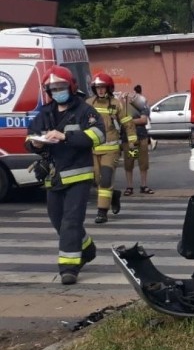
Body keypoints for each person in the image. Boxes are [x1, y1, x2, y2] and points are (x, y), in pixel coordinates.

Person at [25, 66, 106, 285]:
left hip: (78, 176)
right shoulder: (46, 113)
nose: (57, 91)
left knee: (71, 221)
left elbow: (99, 135)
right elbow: (30, 137)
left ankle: (69, 268)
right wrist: (34, 143)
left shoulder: (84, 111)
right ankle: (87, 248)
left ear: (71, 87)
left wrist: (65, 136)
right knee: (58, 221)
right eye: (53, 88)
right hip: (54, 176)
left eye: (61, 87)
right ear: (48, 91)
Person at [86, 73, 137, 223]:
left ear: (109, 88)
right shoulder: (89, 103)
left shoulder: (117, 104)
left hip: (111, 149)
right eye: (98, 88)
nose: (100, 90)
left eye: (103, 87)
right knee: (96, 180)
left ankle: (102, 212)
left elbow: (128, 124)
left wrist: (132, 142)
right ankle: (114, 195)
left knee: (106, 179)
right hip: (92, 149)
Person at [122, 86, 154, 195]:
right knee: (129, 163)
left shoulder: (143, 104)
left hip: (141, 137)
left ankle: (143, 186)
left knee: (143, 163)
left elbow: (144, 120)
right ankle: (129, 187)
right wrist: (133, 121)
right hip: (130, 140)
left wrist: (129, 121)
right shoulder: (125, 105)